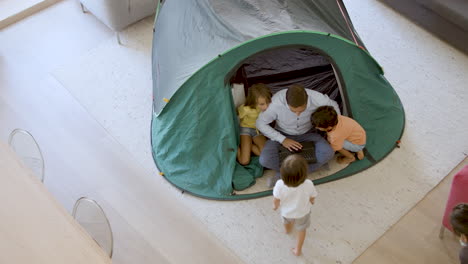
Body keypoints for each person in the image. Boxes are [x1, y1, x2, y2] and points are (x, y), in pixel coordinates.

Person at [256, 84, 340, 187]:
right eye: (293, 111)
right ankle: (298, 171)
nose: (297, 114)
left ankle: (286, 175)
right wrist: (282, 139)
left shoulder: (316, 97)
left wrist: (334, 129)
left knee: (328, 153)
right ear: (287, 103)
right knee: (265, 160)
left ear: (307, 101)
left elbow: (334, 106)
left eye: (301, 111)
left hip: (308, 133)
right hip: (282, 134)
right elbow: (260, 123)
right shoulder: (276, 102)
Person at [273, 154, 318, 256]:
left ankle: (287, 230)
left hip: (286, 212)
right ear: (305, 173)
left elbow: (276, 199)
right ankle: (298, 250)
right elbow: (312, 196)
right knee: (301, 230)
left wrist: (275, 206)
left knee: (286, 222)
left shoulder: (280, 184)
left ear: (282, 173)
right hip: (303, 212)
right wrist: (312, 201)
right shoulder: (308, 183)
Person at [237, 83, 272, 165]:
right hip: (246, 130)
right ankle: (236, 147)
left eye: (268, 102)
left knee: (265, 155)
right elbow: (236, 119)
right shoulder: (245, 109)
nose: (266, 106)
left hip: (258, 131)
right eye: (262, 104)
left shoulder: (269, 108)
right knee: (244, 161)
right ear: (253, 102)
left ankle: (249, 146)